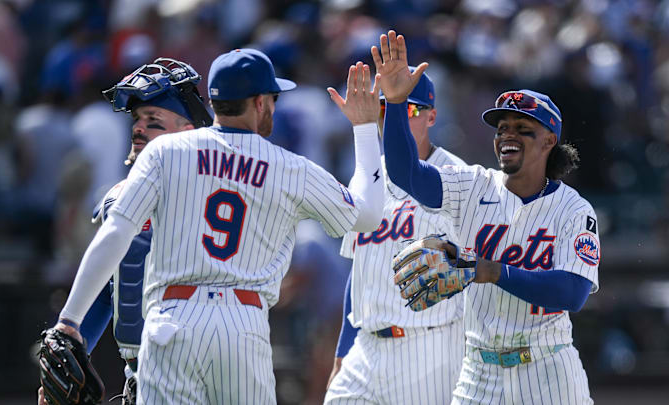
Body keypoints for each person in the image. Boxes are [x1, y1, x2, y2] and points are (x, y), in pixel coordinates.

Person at [45, 49, 385, 405]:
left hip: (172, 320)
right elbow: (367, 216)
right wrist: (363, 128)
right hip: (243, 323)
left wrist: (69, 320)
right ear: (258, 102)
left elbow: (115, 233)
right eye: (272, 97)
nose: (273, 105)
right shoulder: (290, 168)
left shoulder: (165, 152)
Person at [376, 31, 599, 404]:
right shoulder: (473, 185)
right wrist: (397, 103)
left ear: (549, 142)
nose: (507, 136)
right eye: (502, 129)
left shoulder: (574, 210)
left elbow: (573, 293)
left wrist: (490, 270)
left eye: (522, 129)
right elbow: (406, 173)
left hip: (548, 370)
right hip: (479, 373)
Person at [38, 57, 213, 405]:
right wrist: (74, 343)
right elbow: (109, 289)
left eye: (153, 121)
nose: (138, 128)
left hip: (204, 373)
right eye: (137, 119)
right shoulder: (117, 198)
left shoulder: (213, 194)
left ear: (187, 132)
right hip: (141, 377)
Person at [325, 69, 467, 404]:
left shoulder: (457, 178)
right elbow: (359, 275)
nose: (397, 117)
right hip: (366, 347)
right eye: (388, 108)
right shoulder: (369, 173)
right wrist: (340, 357)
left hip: (428, 347)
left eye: (410, 109)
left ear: (432, 116)